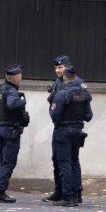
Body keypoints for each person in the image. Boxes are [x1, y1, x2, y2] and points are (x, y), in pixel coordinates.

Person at [47, 66, 92, 207]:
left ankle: (67, 197)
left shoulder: (62, 93)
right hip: (78, 131)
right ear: (75, 76)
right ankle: (77, 194)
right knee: (74, 162)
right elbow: (89, 116)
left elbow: (54, 115)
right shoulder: (84, 94)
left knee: (64, 163)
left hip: (63, 131)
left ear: (65, 77)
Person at [42, 55, 77, 203]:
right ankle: (59, 191)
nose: (58, 70)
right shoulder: (57, 83)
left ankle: (70, 194)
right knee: (56, 160)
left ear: (67, 67)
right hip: (59, 126)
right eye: (56, 68)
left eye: (60, 67)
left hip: (68, 126)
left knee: (68, 162)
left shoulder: (76, 82)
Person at [0, 64, 30, 203]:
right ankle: (0, 192)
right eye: (20, 76)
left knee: (3, 161)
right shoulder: (12, 92)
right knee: (8, 162)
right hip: (11, 131)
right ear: (15, 79)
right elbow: (12, 104)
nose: (21, 78)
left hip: (2, 128)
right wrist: (23, 101)